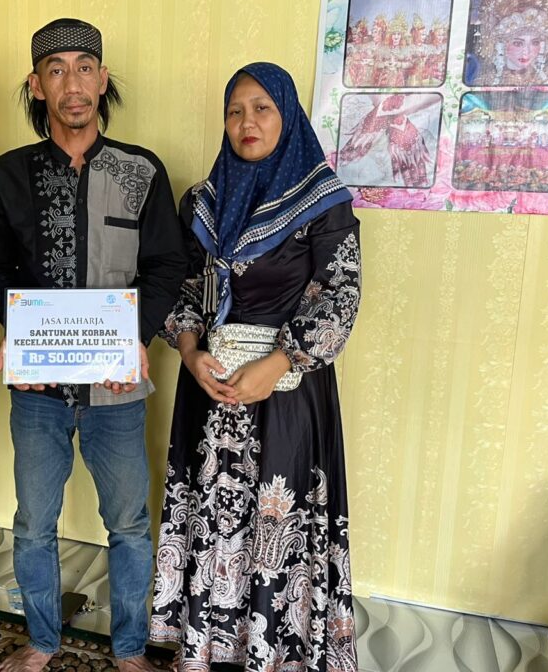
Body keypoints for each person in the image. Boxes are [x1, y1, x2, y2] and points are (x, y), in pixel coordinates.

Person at [0, 18, 185, 672]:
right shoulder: (9, 173)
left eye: (84, 67)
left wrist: (137, 336)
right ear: (36, 85)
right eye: (57, 69)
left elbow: (167, 266)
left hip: (116, 388)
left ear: (103, 79)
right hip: (38, 389)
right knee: (33, 524)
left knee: (129, 525)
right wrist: (20, 334)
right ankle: (42, 641)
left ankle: (129, 649)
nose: (73, 83)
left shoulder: (141, 170)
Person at [150, 62, 361, 672]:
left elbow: (341, 295)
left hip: (285, 394)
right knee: (213, 513)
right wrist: (189, 350)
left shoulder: (322, 201)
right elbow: (183, 287)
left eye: (262, 108)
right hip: (209, 387)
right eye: (235, 110)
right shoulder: (204, 201)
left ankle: (272, 654)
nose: (247, 122)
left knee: (274, 519)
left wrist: (279, 362)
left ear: (288, 115)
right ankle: (208, 649)